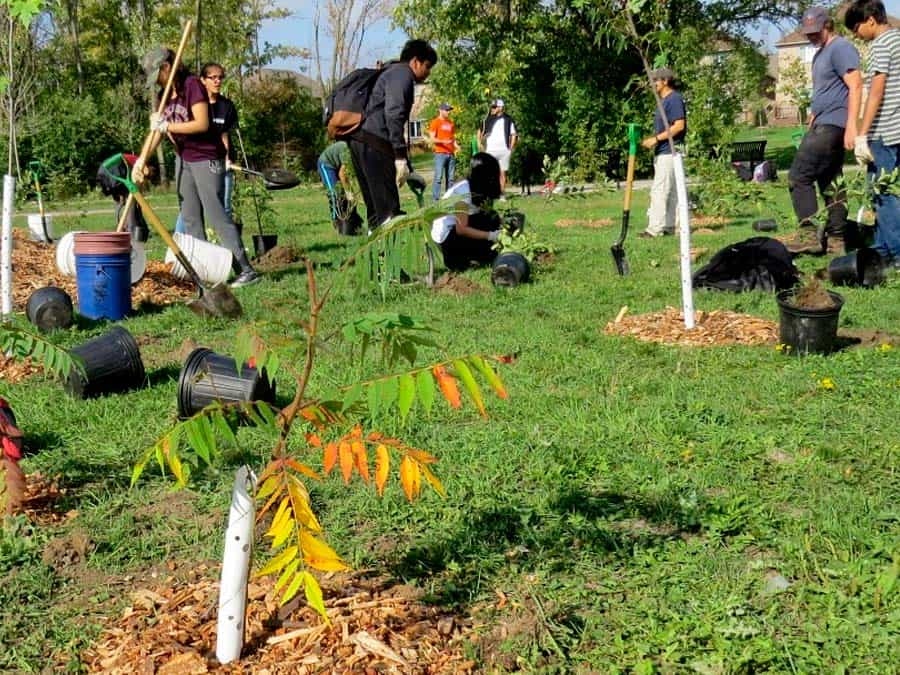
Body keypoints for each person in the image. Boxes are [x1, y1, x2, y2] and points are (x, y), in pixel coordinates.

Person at [135, 48, 259, 287]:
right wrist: (142, 158)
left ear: (167, 67)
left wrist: (167, 126)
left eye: (157, 74)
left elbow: (202, 123)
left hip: (206, 157)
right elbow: (157, 133)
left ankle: (245, 268)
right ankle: (207, 272)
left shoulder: (192, 85)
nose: (156, 81)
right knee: (190, 217)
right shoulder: (163, 95)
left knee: (215, 213)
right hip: (184, 160)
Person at [785, 6, 862, 255]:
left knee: (799, 176)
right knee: (831, 180)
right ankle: (837, 240)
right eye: (807, 33)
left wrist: (853, 127)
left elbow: (856, 86)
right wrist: (814, 114)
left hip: (834, 125)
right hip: (823, 121)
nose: (811, 36)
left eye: (815, 31)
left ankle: (808, 234)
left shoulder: (840, 48)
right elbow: (826, 90)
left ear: (827, 25)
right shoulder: (821, 54)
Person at [348, 39, 437, 232]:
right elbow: (394, 114)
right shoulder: (402, 74)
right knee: (389, 213)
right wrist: (399, 158)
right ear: (415, 62)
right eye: (427, 66)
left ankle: (376, 258)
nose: (428, 72)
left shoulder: (388, 73)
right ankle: (390, 259)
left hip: (360, 141)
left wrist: (408, 167)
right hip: (375, 144)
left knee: (376, 210)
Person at [845, 0, 900, 265]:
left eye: (856, 28)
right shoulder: (899, 40)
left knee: (883, 192)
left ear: (870, 20)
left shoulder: (880, 44)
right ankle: (882, 247)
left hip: (885, 131)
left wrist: (862, 134)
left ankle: (894, 255)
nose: (856, 35)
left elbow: (876, 91)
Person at [175, 62, 239, 233]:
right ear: (202, 80)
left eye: (220, 78)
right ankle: (178, 248)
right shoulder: (195, 104)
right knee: (189, 210)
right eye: (213, 77)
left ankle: (229, 253)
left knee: (222, 209)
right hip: (195, 161)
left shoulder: (227, 106)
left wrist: (226, 160)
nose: (218, 81)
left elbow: (224, 134)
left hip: (219, 162)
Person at [430, 152, 503, 271]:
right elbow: (461, 229)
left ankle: (484, 254)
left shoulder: (475, 188)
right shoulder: (463, 191)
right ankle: (468, 258)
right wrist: (491, 236)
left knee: (493, 217)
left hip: (456, 232)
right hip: (448, 241)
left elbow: (484, 213)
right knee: (489, 226)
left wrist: (503, 222)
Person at [638, 67, 687, 238]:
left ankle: (654, 229)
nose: (653, 84)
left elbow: (679, 126)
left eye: (655, 81)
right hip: (664, 152)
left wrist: (656, 139)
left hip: (669, 151)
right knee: (671, 190)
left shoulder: (674, 99)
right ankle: (671, 226)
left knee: (660, 190)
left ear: (665, 81)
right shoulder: (663, 101)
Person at [96, 153, 149, 242]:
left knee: (120, 202)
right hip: (115, 172)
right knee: (131, 202)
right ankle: (131, 231)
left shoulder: (133, 160)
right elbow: (142, 176)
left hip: (105, 171)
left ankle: (122, 229)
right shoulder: (142, 163)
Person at [318, 140, 362, 234]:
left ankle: (355, 223)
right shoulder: (348, 151)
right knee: (335, 193)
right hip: (326, 164)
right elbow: (342, 174)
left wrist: (352, 192)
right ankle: (337, 222)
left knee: (347, 197)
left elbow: (350, 174)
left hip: (338, 166)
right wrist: (349, 192)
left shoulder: (359, 152)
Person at [478, 99, 517, 195]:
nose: (492, 109)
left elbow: (513, 134)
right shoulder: (488, 119)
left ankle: (502, 194)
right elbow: (480, 131)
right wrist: (480, 142)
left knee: (502, 173)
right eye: (492, 107)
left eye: (494, 107)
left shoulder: (508, 119)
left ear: (501, 107)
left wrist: (511, 148)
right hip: (490, 150)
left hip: (504, 149)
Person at [427, 103, 459, 201]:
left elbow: (453, 138)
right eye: (447, 110)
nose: (449, 112)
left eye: (449, 110)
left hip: (451, 154)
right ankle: (435, 200)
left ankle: (448, 198)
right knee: (438, 177)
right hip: (440, 154)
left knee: (451, 178)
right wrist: (443, 141)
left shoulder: (451, 123)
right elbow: (432, 139)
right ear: (440, 110)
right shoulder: (435, 122)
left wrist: (457, 146)